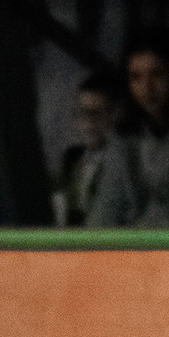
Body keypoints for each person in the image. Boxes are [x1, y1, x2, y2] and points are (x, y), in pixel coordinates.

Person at [88, 34, 169, 228]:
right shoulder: (122, 142)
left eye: (157, 74)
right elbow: (105, 214)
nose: (147, 87)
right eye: (136, 77)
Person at [55, 74, 129, 228]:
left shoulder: (125, 159)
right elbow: (69, 212)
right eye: (82, 112)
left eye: (96, 113)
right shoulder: (73, 157)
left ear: (115, 115)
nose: (88, 122)